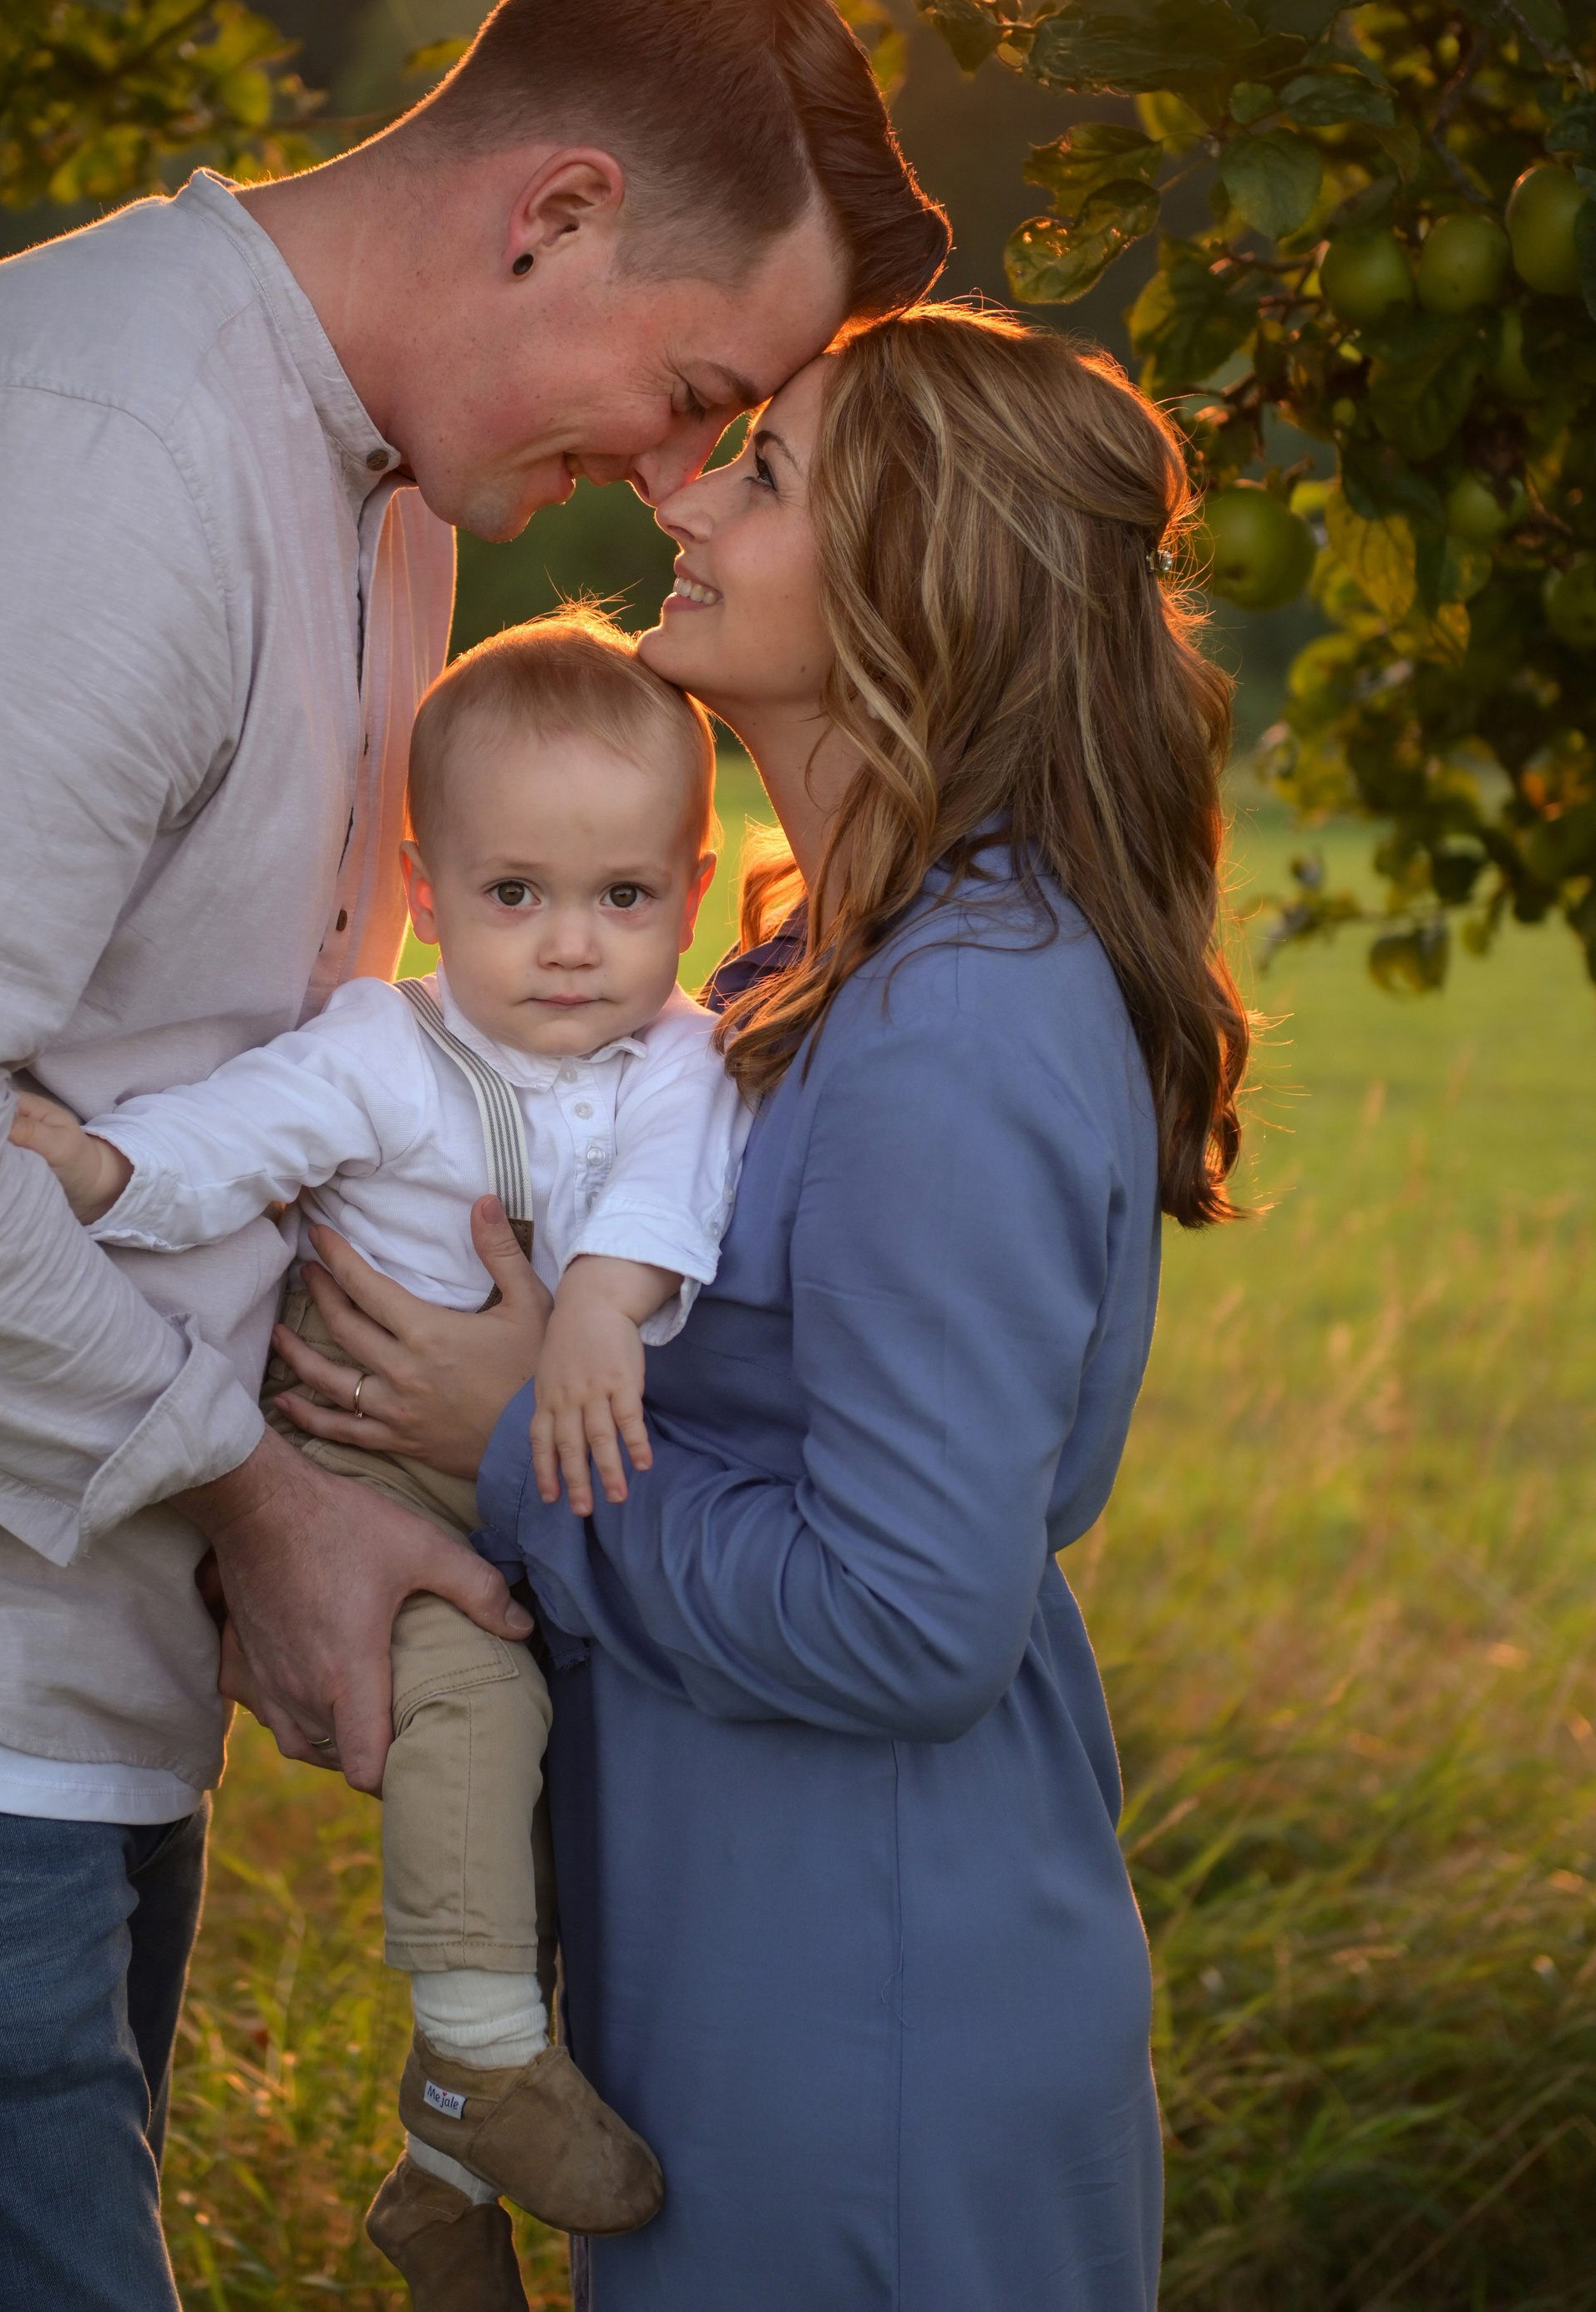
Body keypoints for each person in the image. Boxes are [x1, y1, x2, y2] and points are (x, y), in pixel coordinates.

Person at [0, 0, 949, 2310]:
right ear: (553, 212)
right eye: (696, 387)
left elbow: (251, 1068)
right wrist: (254, 1497)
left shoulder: (384, 487)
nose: (677, 474)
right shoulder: (100, 446)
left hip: (47, 1659)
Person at [276, 304, 1251, 2306]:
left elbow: (907, 1616)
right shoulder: (821, 960)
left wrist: (509, 1449)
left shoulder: (955, 1023)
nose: (678, 489)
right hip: (749, 1928)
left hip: (869, 1993)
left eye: (766, 472)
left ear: (917, 582)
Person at [13, 611, 747, 2308]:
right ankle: (482, 2052)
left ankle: (436, 2181)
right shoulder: (383, 1048)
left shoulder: (685, 1057)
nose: (570, 945)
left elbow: (662, 1195)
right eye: (515, 895)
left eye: (622, 898)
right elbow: (240, 1129)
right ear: (424, 887)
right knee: (477, 1707)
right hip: (378, 1473)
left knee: (576, 1808)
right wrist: (112, 1171)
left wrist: (597, 1310)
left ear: (689, 898)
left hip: (557, 1461)